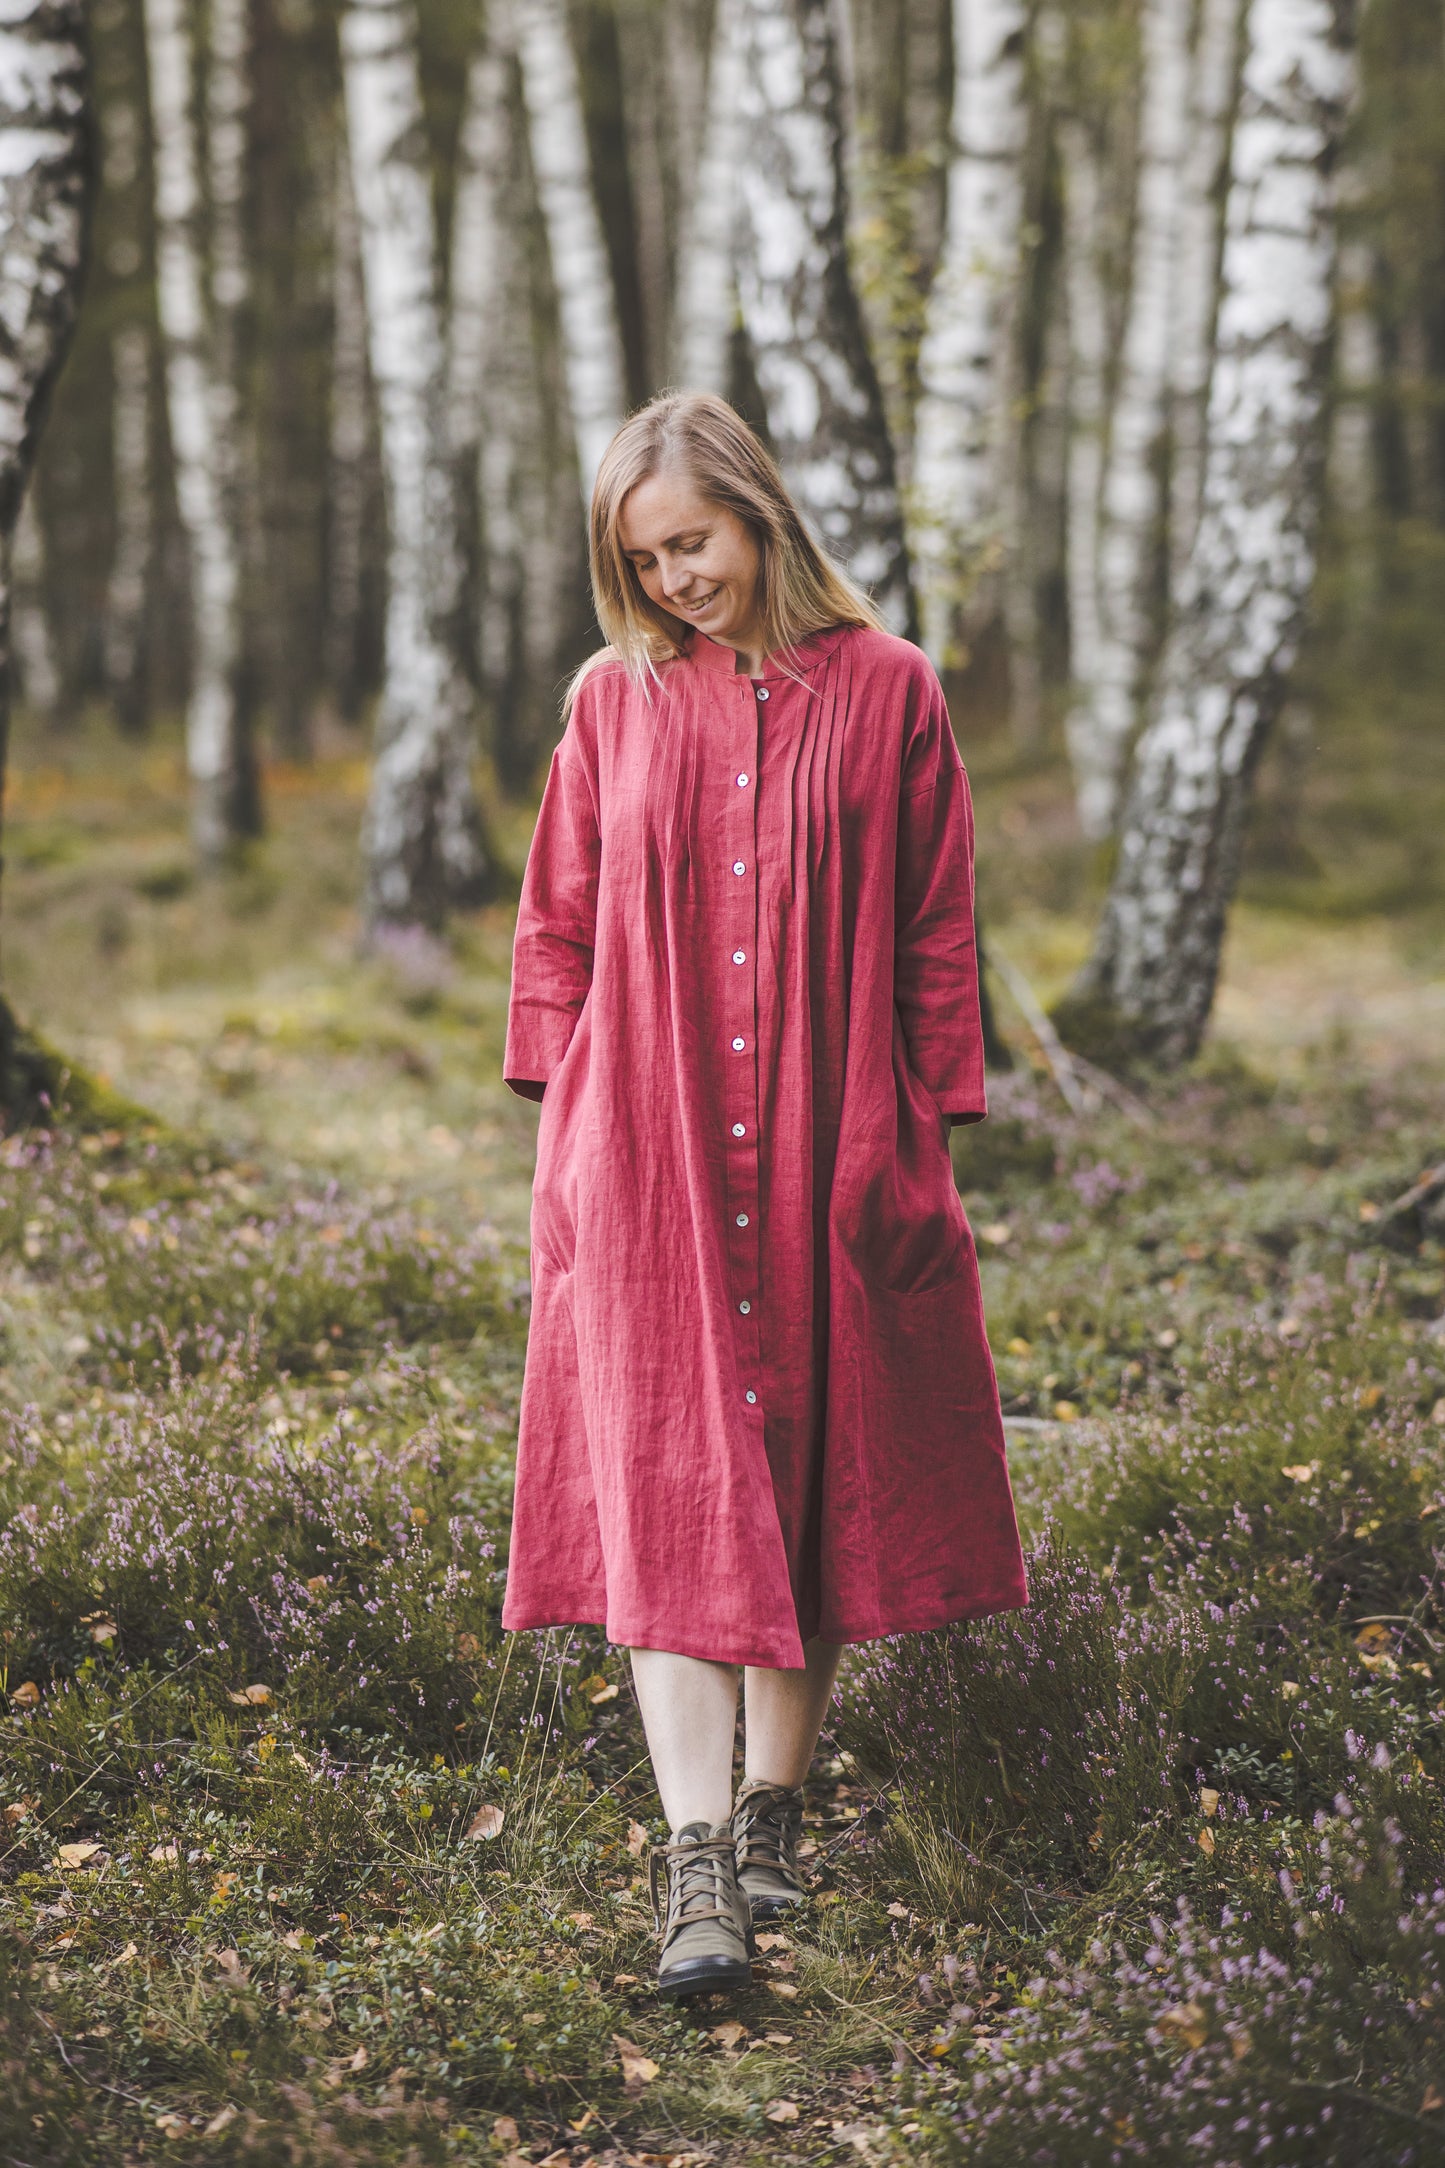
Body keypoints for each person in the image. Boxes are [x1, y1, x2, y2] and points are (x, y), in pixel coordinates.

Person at [502, 390, 1027, 2002]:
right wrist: (569, 1123)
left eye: (694, 543)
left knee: (814, 1466)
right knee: (665, 1472)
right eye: (643, 559)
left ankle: (778, 1809)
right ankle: (694, 1866)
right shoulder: (610, 702)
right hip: (644, 1142)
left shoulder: (890, 694)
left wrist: (922, 1130)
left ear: (761, 513)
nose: (675, 580)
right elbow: (556, 925)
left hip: (833, 1133)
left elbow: (937, 928)